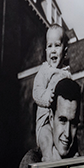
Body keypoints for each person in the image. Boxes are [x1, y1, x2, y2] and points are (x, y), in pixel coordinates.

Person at [30, 24, 72, 157]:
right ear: (45, 50)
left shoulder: (67, 74)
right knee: (47, 143)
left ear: (65, 51)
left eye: (57, 45)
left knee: (67, 149)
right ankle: (47, 162)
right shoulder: (44, 71)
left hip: (61, 123)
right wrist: (47, 97)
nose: (53, 50)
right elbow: (36, 92)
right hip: (45, 122)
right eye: (50, 46)